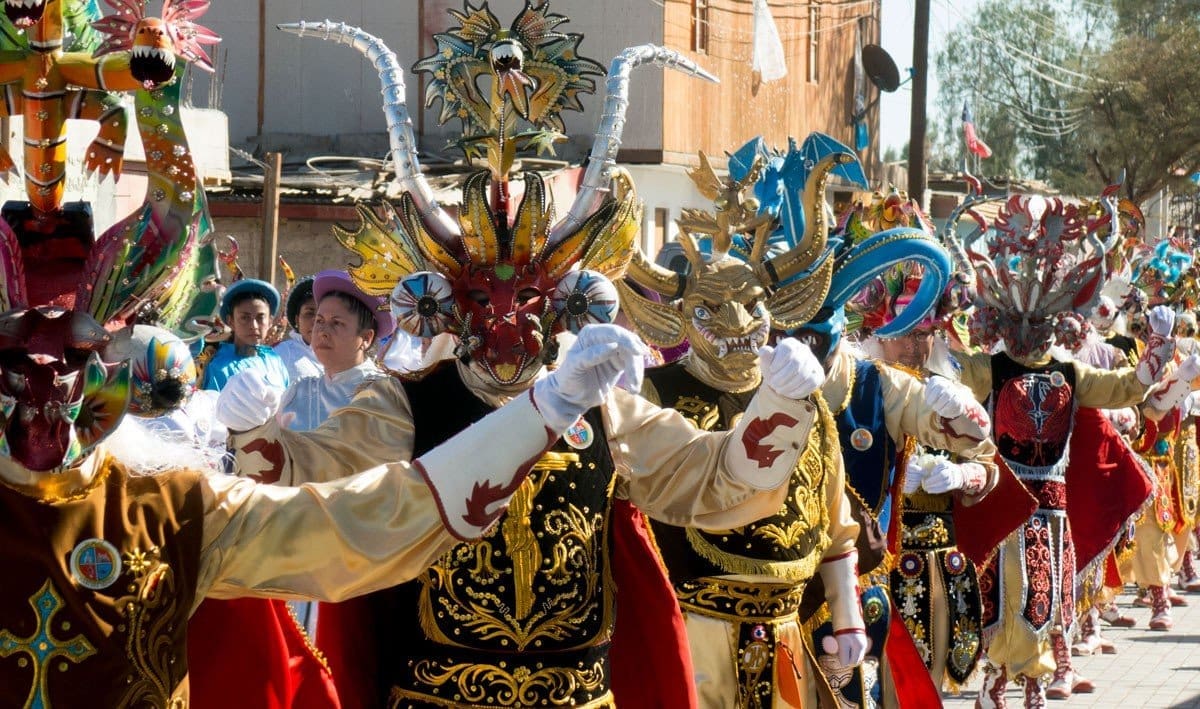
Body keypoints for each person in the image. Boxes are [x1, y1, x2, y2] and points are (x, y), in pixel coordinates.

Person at [0, 2, 641, 705]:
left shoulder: (172, 510)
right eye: (15, 360)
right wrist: (254, 433)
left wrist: (545, 409)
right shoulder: (390, 405)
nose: (44, 385)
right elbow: (335, 494)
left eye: (73, 357)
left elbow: (359, 524)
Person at [223, 11, 820, 709]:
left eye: (529, 298)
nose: (506, 320)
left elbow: (714, 480)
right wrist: (254, 431)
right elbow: (306, 486)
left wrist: (778, 405)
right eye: (482, 296)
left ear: (564, 302)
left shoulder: (606, 408)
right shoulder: (406, 402)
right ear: (444, 301)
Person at [949, 187, 1188, 708]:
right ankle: (996, 680)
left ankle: (1035, 682)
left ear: (1059, 325)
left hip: (1052, 508)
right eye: (1021, 325)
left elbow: (1122, 388)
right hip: (1004, 500)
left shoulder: (1070, 372)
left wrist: (1154, 360)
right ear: (1004, 324)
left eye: (1041, 325)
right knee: (1003, 592)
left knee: (1050, 594)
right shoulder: (991, 368)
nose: (1031, 334)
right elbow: (947, 377)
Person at [276, 269, 392, 432]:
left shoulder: (384, 395)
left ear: (366, 338)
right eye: (319, 320)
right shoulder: (298, 393)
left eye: (337, 323)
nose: (322, 332)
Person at [196, 277, 290, 391]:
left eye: (260, 318)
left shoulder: (275, 361)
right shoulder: (219, 367)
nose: (254, 326)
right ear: (231, 321)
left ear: (270, 321)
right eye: (245, 318)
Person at [274, 274, 323, 381]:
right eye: (309, 313)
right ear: (297, 320)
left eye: (322, 314)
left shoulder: (342, 355)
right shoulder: (282, 353)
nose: (316, 321)